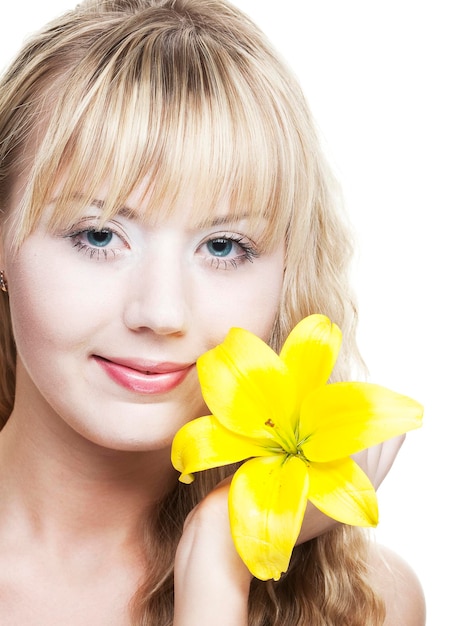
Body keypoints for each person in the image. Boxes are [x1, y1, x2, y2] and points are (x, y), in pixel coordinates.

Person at [0, 0, 425, 624]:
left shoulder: (368, 605)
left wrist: (223, 554)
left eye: (223, 246)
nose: (162, 311)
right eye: (97, 235)